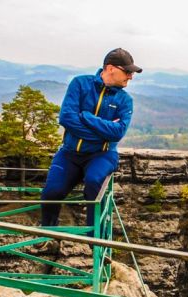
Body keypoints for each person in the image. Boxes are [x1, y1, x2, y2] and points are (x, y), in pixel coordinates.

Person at [39, 48, 141, 230]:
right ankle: (49, 234)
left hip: (102, 155)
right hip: (70, 153)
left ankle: (95, 241)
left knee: (94, 183)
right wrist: (102, 133)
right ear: (110, 68)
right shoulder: (80, 84)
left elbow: (117, 133)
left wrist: (87, 117)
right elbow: (66, 118)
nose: (130, 76)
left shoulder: (125, 100)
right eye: (127, 71)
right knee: (51, 192)